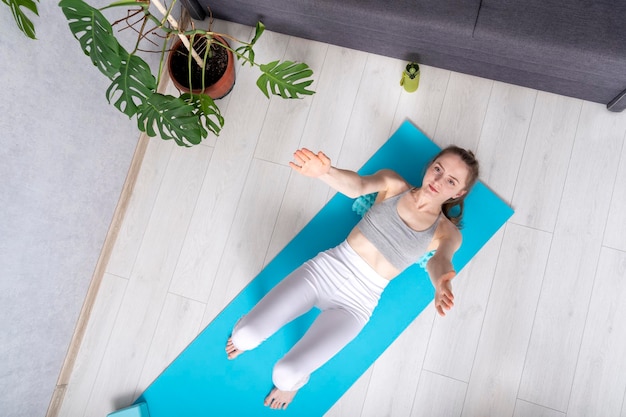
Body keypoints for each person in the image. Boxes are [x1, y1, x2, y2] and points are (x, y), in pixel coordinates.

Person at [225, 145, 479, 410]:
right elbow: (357, 185)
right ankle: (251, 332)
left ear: (459, 193)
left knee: (285, 377)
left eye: (451, 181)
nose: (438, 180)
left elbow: (440, 260)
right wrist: (326, 172)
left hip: (357, 304)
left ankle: (295, 383)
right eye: (438, 169)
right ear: (430, 166)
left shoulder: (447, 231)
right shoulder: (394, 183)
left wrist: (441, 282)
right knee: (244, 336)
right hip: (324, 271)